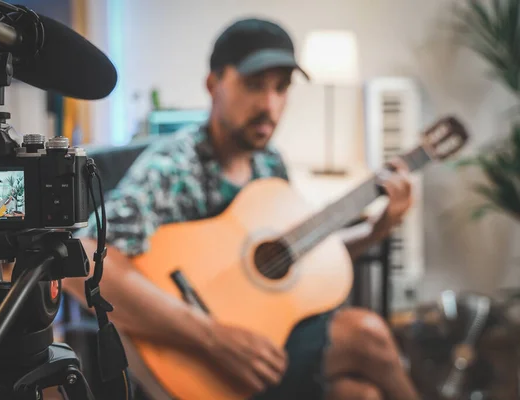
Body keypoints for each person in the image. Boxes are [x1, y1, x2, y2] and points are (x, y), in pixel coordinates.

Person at [67, 18, 420, 400]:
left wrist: (376, 230)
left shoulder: (270, 165)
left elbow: (296, 260)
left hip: (267, 339)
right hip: (205, 359)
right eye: (254, 85)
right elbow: (80, 263)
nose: (270, 105)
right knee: (367, 335)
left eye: (281, 88)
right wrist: (215, 339)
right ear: (213, 84)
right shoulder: (174, 166)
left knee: (362, 395)